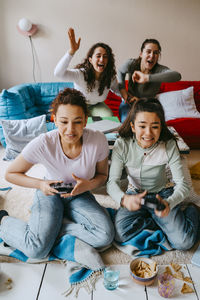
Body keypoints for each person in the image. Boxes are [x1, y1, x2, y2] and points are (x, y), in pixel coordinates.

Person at [0, 88, 114, 259]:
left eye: (77, 121)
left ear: (85, 121)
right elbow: (11, 173)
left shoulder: (98, 140)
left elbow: (102, 176)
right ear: (54, 119)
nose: (70, 129)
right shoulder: (43, 143)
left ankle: (52, 229)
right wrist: (40, 184)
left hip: (80, 193)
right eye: (64, 121)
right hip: (50, 192)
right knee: (37, 250)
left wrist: (88, 185)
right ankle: (2, 221)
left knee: (105, 236)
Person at [107, 98, 199, 250]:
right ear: (133, 126)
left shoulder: (169, 145)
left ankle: (191, 211)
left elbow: (183, 185)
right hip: (135, 193)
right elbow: (112, 183)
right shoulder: (122, 144)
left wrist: (169, 203)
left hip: (162, 195)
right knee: (119, 234)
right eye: (142, 126)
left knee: (184, 243)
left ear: (161, 127)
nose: (148, 133)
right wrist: (123, 199)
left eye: (155, 127)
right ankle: (158, 220)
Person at [54, 28, 119, 117]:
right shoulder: (81, 74)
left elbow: (117, 89)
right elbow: (58, 73)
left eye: (105, 56)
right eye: (98, 56)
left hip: (97, 106)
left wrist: (127, 98)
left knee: (109, 118)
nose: (101, 59)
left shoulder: (110, 77)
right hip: (79, 105)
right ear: (91, 60)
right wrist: (71, 52)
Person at [118, 39, 181, 122]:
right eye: (148, 51)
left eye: (156, 53)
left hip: (149, 105)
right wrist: (123, 90)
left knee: (155, 128)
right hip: (130, 103)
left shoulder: (160, 69)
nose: (152, 56)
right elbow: (120, 71)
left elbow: (177, 76)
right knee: (127, 125)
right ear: (141, 54)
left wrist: (147, 78)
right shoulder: (131, 64)